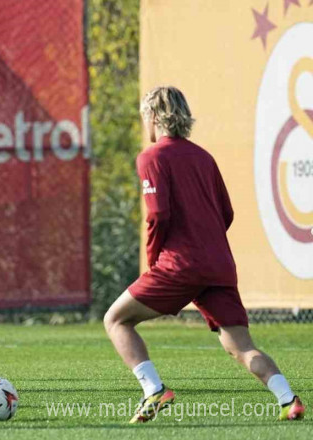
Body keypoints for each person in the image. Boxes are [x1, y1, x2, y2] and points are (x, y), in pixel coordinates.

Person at [103, 86, 305, 423]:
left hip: (180, 264)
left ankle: (153, 389)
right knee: (239, 345)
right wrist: (206, 245)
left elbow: (158, 215)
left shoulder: (151, 157)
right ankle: (289, 399)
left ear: (153, 117)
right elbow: (226, 213)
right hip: (219, 265)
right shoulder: (203, 157)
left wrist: (155, 259)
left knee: (116, 320)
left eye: (144, 118)